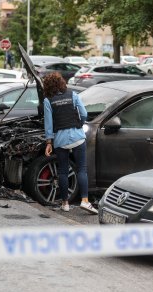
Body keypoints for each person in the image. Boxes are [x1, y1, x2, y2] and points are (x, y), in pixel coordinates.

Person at [43, 72, 98, 214]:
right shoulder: (73, 95)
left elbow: (48, 124)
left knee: (62, 171)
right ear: (61, 82)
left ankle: (65, 203)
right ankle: (85, 201)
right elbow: (84, 113)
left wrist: (49, 142)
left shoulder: (48, 100)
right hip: (77, 137)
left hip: (60, 140)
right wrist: (79, 124)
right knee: (81, 169)